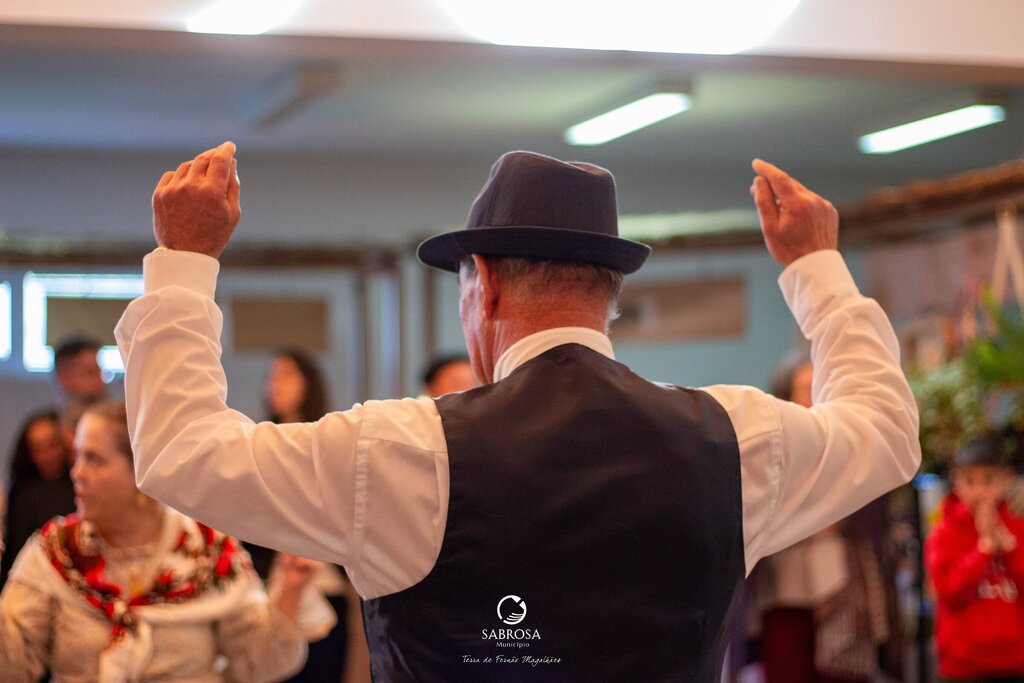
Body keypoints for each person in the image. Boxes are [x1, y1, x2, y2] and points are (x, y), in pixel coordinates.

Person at [115, 142, 920, 681]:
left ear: (486, 286)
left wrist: (183, 260)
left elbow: (183, 451)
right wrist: (818, 268)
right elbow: (886, 431)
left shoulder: (404, 448)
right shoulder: (733, 438)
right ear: (608, 293)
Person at [0, 400, 335, 682]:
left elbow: (258, 665)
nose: (77, 473)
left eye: (94, 459)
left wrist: (291, 590)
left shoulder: (206, 549)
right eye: (76, 456)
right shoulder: (56, 552)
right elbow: (13, 670)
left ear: (141, 472)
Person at [750, 352, 890, 683]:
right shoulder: (767, 449)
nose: (814, 397)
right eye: (805, 388)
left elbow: (872, 511)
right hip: (784, 591)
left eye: (821, 387)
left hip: (841, 589)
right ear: (785, 396)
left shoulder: (851, 444)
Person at [257, 348, 373, 683]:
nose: (275, 385)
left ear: (309, 383)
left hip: (325, 581)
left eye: (286, 375)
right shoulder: (259, 445)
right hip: (273, 585)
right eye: (271, 377)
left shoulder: (331, 443)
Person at [925, 434, 1024, 682]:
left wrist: (1010, 547)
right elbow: (949, 590)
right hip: (962, 667)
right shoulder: (944, 533)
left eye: (988, 480)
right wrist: (984, 549)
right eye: (969, 480)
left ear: (1007, 479)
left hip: (1015, 663)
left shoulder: (1018, 530)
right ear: (956, 481)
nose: (979, 490)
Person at [0, 410, 76, 590]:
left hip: (76, 578)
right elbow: (15, 550)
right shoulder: (21, 492)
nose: (47, 454)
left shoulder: (79, 483)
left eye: (52, 445)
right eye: (38, 449)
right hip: (34, 579)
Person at [53, 336, 108, 453]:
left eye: (100, 371)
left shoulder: (117, 428)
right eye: (90, 372)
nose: (101, 381)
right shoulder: (49, 438)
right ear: (64, 378)